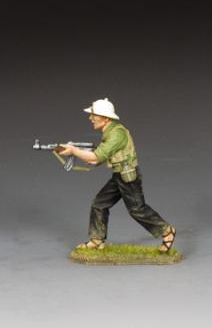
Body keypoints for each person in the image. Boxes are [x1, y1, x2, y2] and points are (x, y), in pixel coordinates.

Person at [58, 98, 176, 252]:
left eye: (94, 115)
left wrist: (74, 151)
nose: (91, 118)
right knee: (99, 204)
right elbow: (102, 156)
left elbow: (96, 156)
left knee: (137, 210)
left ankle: (167, 232)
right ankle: (97, 240)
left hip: (128, 177)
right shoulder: (110, 131)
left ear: (105, 118)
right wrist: (92, 158)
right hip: (119, 175)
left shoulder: (117, 134)